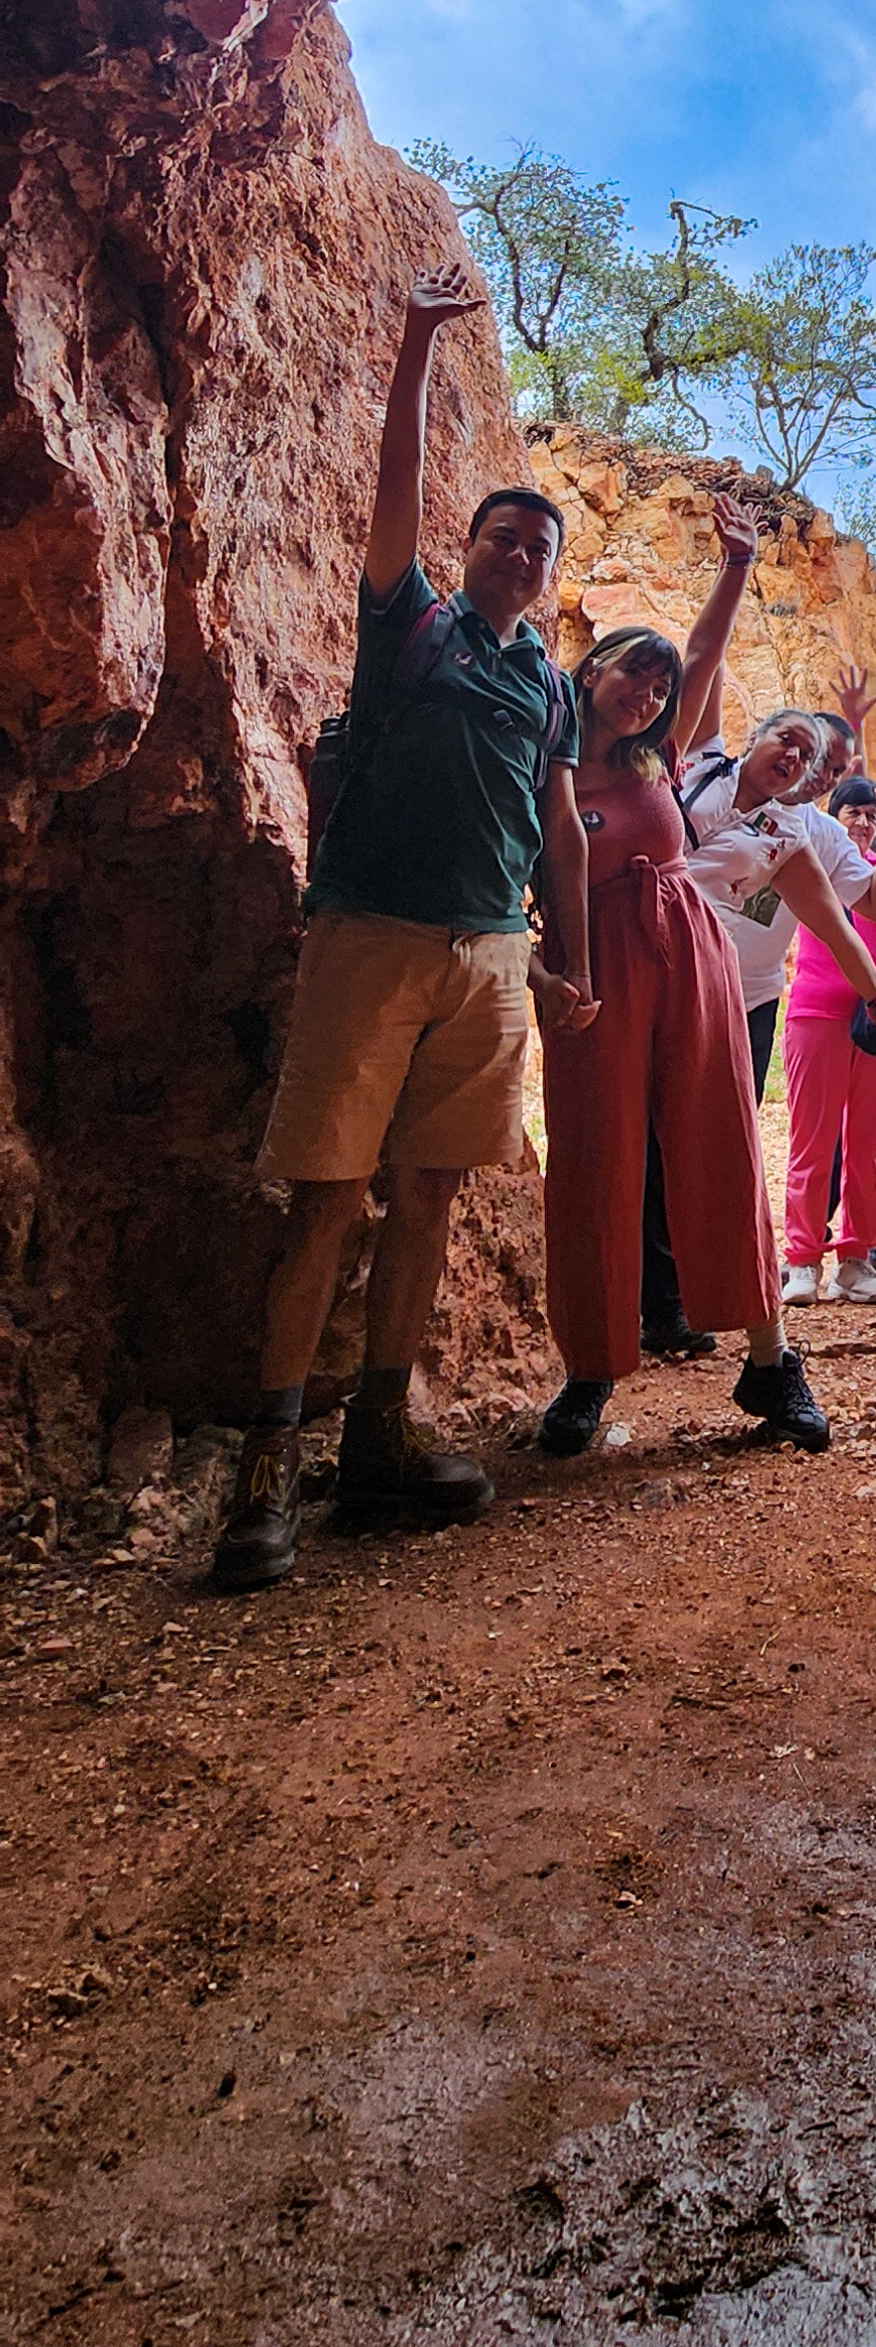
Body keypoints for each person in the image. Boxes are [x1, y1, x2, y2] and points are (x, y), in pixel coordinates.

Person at [214, 266, 590, 1592]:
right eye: (504, 537)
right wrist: (420, 342)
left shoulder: (547, 683)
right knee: (326, 1196)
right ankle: (263, 1470)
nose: (519, 556)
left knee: (428, 1191)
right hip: (369, 935)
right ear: (467, 546)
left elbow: (560, 828)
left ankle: (379, 1434)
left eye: (538, 551)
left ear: (550, 580)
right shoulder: (413, 622)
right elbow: (393, 477)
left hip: (487, 955)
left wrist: (566, 958)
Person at [533, 497, 849, 1457]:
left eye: (661, 684)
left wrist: (737, 565)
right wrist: (547, 972)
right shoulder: (540, 769)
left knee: (720, 1145)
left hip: (690, 958)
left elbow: (704, 656)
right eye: (635, 670)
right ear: (591, 669)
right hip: (592, 970)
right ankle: (591, 1369)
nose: (650, 690)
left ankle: (770, 1361)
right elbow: (518, 880)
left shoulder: (659, 759)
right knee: (596, 1160)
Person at [675, 696, 876, 1099]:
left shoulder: (801, 837)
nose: (821, 774)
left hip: (748, 995)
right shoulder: (710, 770)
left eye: (833, 769)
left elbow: (853, 919)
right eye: (818, 759)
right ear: (758, 738)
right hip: (662, 970)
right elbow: (704, 669)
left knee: (727, 1116)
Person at [781, 769, 876, 1306]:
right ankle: (802, 1257)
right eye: (854, 812)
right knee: (812, 1140)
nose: (864, 822)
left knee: (870, 1144)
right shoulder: (809, 863)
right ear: (832, 818)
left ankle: (856, 1257)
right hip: (816, 1010)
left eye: (872, 815)